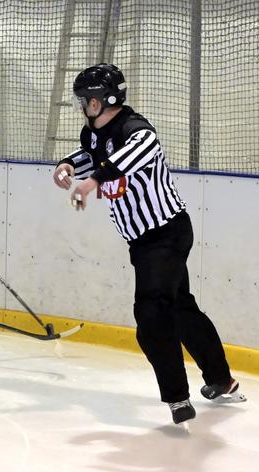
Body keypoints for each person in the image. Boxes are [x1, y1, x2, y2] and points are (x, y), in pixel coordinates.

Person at [53, 63, 245, 424]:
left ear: (99, 101)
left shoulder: (137, 130)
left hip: (166, 234)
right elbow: (92, 156)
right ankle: (222, 380)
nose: (83, 107)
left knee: (152, 312)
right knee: (180, 308)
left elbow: (125, 159)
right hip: (144, 242)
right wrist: (67, 165)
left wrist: (91, 183)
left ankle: (177, 399)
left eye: (85, 101)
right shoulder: (93, 133)